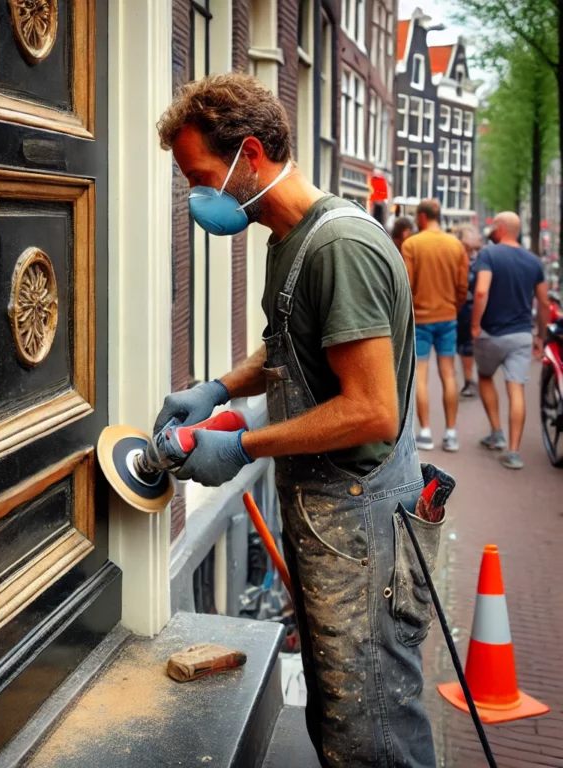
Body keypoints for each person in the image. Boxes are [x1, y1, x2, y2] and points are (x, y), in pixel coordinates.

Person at [155, 73, 441, 768]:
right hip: (330, 521)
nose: (197, 195)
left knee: (370, 728)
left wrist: (245, 446)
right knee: (337, 715)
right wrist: (219, 386)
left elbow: (371, 410)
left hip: (363, 527)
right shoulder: (292, 238)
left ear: (248, 153)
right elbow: (289, 344)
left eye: (199, 176)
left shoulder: (340, 246)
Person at [472, 212, 550, 469]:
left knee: (484, 377)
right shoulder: (533, 261)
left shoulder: (489, 254)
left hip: (492, 333)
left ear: (502, 228)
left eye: (494, 225)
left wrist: (475, 324)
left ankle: (497, 432)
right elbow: (544, 301)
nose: (492, 229)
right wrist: (540, 335)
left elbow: (481, 290)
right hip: (521, 335)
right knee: (516, 388)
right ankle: (514, 452)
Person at [401, 200, 469, 452]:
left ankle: (426, 432)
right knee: (448, 374)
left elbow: (406, 284)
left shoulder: (412, 245)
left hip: (420, 319)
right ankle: (451, 433)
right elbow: (463, 286)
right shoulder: (456, 245)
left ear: (421, 217)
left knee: (420, 375)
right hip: (448, 317)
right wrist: (454, 307)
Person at [454, 225, 483, 398]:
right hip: (464, 306)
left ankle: (469, 380)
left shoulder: (475, 260)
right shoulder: (477, 259)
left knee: (466, 347)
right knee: (465, 347)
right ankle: (468, 380)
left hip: (467, 307)